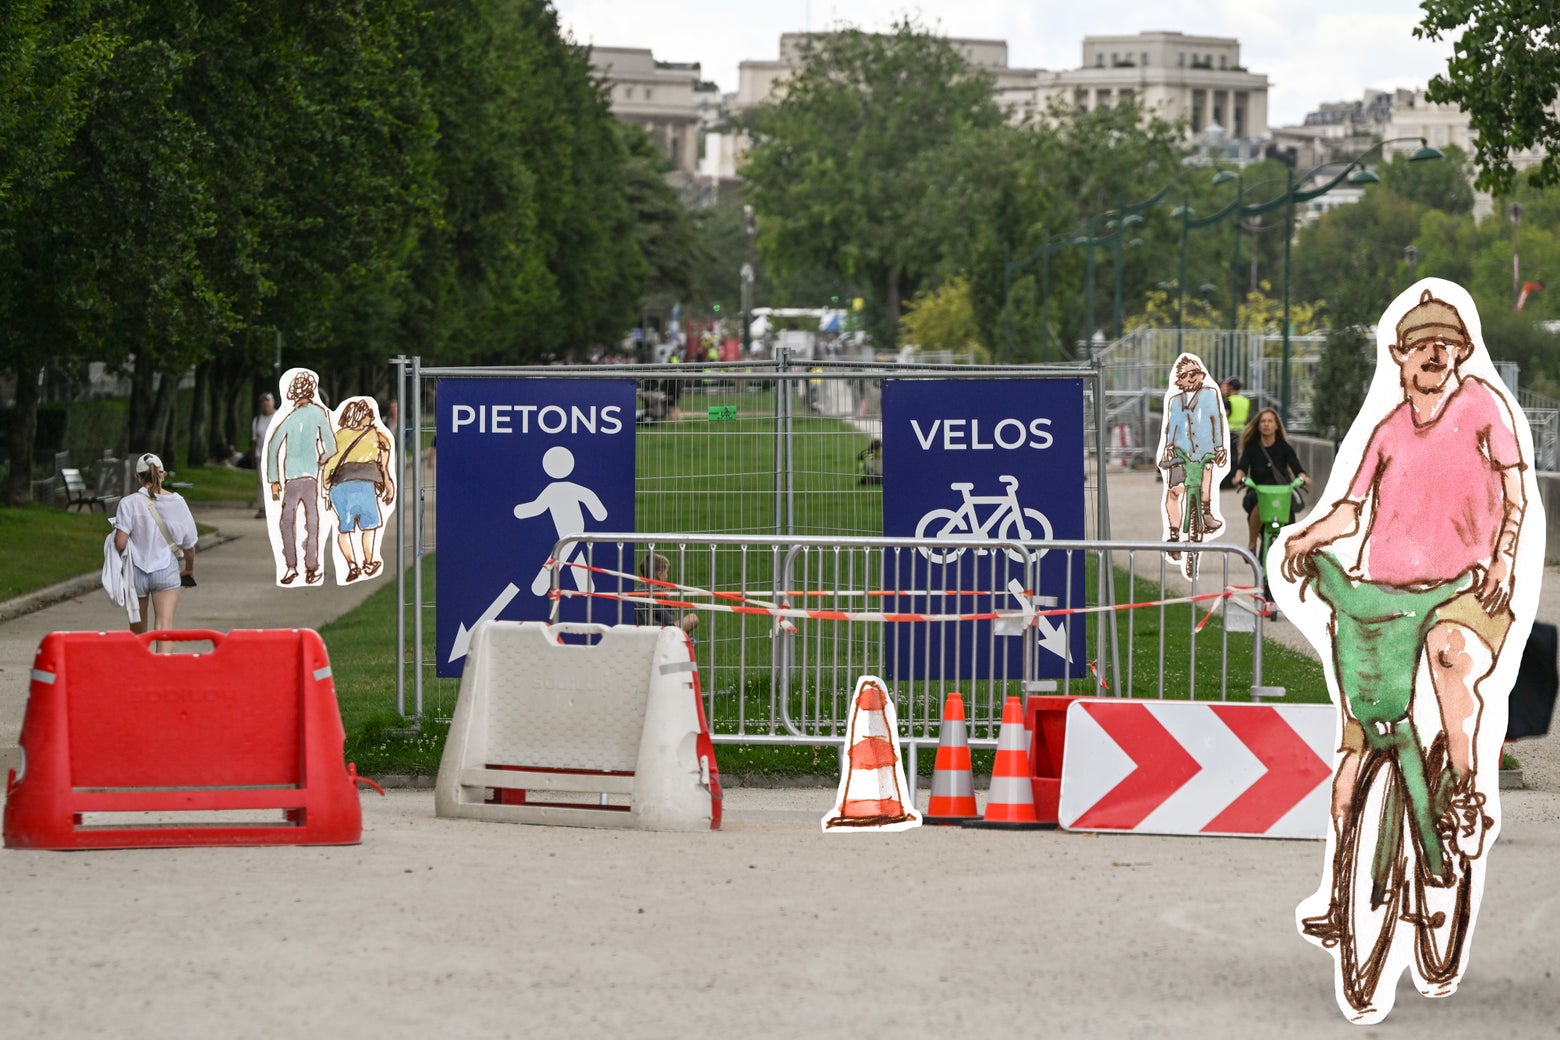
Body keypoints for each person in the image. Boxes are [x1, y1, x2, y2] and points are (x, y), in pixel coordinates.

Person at [1281, 288, 1527, 861]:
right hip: (1389, 595)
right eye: (1423, 345)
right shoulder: (1389, 429)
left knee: (1448, 651)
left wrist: (1505, 557)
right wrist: (1309, 537)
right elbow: (1350, 509)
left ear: (1463, 353)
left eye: (1448, 344)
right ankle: (1347, 887)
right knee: (1363, 702)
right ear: (1400, 356)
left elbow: (1516, 494)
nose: (1436, 353)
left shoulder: (1481, 406)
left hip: (1466, 590)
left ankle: (1465, 790)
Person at [112, 453, 198, 652]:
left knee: (138, 629)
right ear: (163, 474)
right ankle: (163, 670)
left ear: (138, 477)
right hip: (166, 570)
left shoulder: (128, 503)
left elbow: (120, 543)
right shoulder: (178, 503)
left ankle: (142, 671)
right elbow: (189, 546)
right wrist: (189, 568)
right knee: (164, 626)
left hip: (136, 571)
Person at [266, 370, 336, 585]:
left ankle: (291, 566)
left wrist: (274, 480)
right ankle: (312, 565)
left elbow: (273, 447)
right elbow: (331, 446)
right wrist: (321, 460)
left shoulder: (290, 417)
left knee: (287, 522)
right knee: (312, 521)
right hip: (310, 477)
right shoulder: (318, 415)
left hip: (291, 478)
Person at [1159, 353, 1227, 555]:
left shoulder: (1209, 395)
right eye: (1187, 374)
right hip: (1181, 450)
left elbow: (1217, 420)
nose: (1192, 378)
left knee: (1207, 473)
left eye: (1195, 373)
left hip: (1204, 450)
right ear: (1179, 380)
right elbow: (1172, 425)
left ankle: (1206, 513)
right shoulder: (1175, 401)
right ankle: (1173, 534)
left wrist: (1220, 447)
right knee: (1175, 490)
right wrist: (1169, 445)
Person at [323, 397, 395, 582]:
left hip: (340, 486)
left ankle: (352, 565)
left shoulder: (338, 436)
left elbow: (330, 462)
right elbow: (384, 465)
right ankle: (369, 562)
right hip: (365, 485)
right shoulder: (376, 435)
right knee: (369, 528)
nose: (371, 417)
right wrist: (388, 484)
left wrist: (325, 486)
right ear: (360, 416)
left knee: (344, 529)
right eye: (368, 415)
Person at [1230, 408, 1310, 552]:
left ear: (1276, 425)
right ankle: (1252, 544)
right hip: (1258, 492)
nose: (1266, 424)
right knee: (1261, 503)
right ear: (1258, 425)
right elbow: (1242, 467)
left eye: (1270, 421)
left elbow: (1298, 469)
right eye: (1263, 421)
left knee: (1290, 533)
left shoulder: (1284, 447)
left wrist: (1303, 478)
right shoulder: (1252, 447)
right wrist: (1239, 477)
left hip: (1282, 494)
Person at [633, 553, 699, 635]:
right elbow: (669, 623)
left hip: (637, 632)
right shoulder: (658, 593)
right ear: (659, 575)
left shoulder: (636, 590)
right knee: (693, 618)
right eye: (666, 573)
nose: (667, 577)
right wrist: (667, 598)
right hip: (657, 633)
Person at [1220, 378, 1251, 488]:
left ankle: (1228, 482)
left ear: (1231, 388)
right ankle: (1236, 479)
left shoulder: (1229, 401)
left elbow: (1224, 416)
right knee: (1238, 457)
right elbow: (1246, 416)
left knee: (1228, 457)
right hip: (1241, 432)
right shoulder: (1245, 400)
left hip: (1230, 432)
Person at [250, 392, 277, 517]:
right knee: (261, 482)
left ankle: (275, 507)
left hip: (276, 455)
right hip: (260, 455)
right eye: (263, 401)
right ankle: (262, 508)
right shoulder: (257, 420)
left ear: (273, 403)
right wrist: (253, 456)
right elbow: (254, 439)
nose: (265, 403)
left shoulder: (279, 417)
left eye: (268, 401)